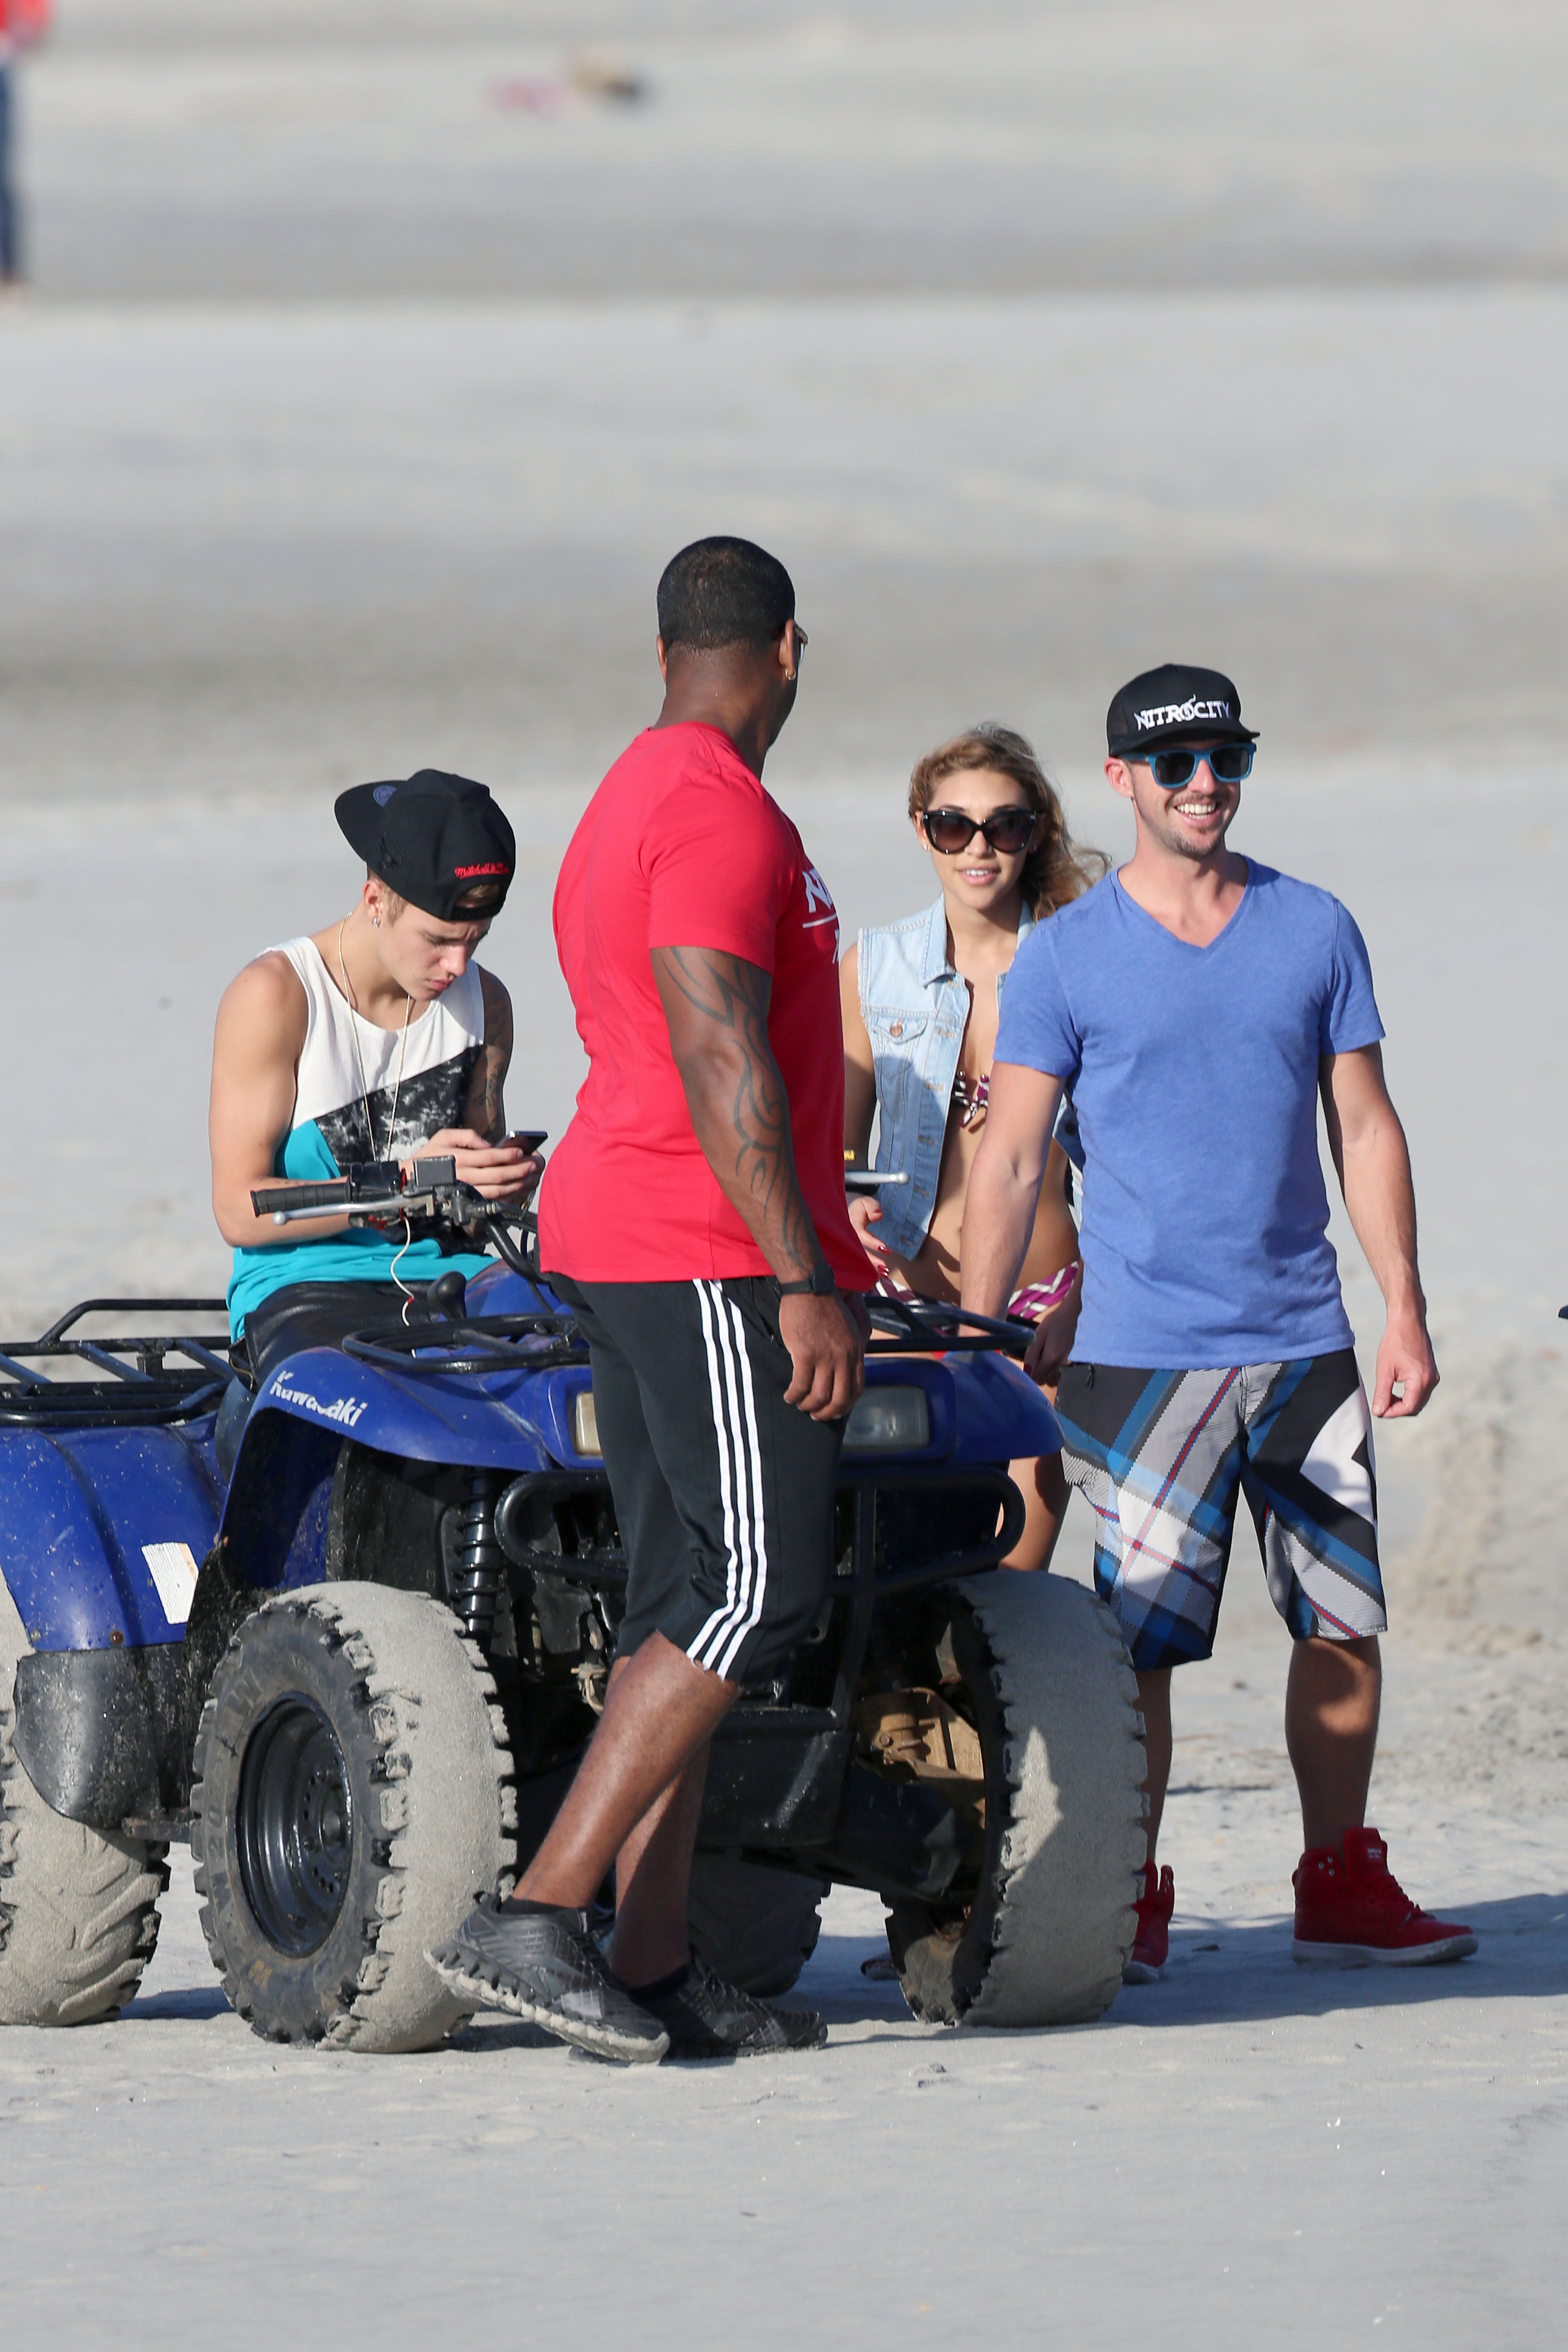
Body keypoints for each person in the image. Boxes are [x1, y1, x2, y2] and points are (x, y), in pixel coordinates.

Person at [961, 662, 1475, 1980]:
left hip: (1303, 1343)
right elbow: (1014, 1159)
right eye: (1176, 765)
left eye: (1226, 759)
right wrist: (973, 1338)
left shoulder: (1314, 928)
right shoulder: (1067, 952)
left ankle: (1338, 1881)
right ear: (1124, 779)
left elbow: (1364, 1126)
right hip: (1138, 1363)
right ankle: (1130, 1887)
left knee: (1343, 1621)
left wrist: (1402, 1306)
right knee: (1138, 1649)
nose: (1206, 785)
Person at [428, 537, 872, 2064]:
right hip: (703, 1244)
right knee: (756, 1585)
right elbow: (715, 1045)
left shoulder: (639, 787)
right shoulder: (705, 810)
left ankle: (655, 1953)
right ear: (788, 652)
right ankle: (538, 1914)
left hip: (634, 1233)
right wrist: (802, 1273)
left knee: (688, 1592)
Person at [841, 722, 1105, 1568]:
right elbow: (836, 1148)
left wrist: (1091, 1297)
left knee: (1011, 1586)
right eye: (955, 826)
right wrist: (849, 1202)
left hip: (1046, 1305)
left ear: (1035, 833)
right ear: (923, 830)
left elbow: (1133, 1156)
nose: (979, 847)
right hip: (900, 1292)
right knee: (886, 1546)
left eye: (1006, 826)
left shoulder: (1088, 963)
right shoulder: (872, 969)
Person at [209, 767, 541, 1420]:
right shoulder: (277, 995)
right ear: (374, 900)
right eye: (439, 941)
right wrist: (403, 1183)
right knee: (387, 1416)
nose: (458, 967)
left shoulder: (487, 1005)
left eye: (475, 941)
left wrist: (500, 1180)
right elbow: (237, 1211)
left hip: (456, 1280)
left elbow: (471, 1206)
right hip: (307, 1285)